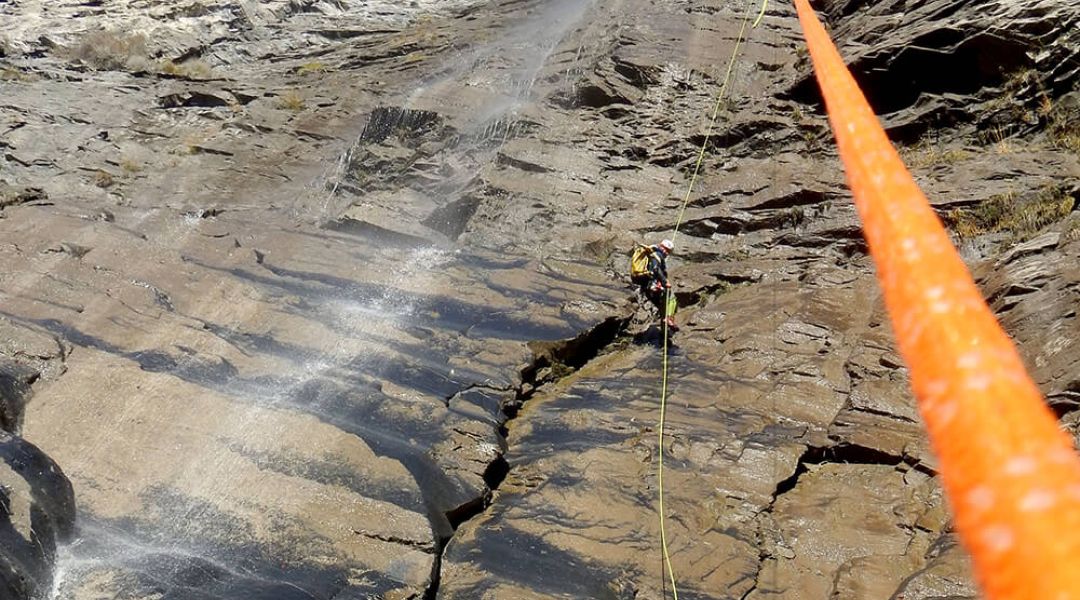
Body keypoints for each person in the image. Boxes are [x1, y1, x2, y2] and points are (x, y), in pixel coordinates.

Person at [630, 239, 678, 331]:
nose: (666, 252)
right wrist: (665, 282)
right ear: (661, 246)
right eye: (665, 249)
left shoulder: (652, 255)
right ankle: (669, 320)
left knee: (663, 307)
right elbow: (656, 269)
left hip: (648, 289)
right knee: (671, 298)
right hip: (653, 286)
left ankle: (664, 332)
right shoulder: (657, 255)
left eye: (668, 251)